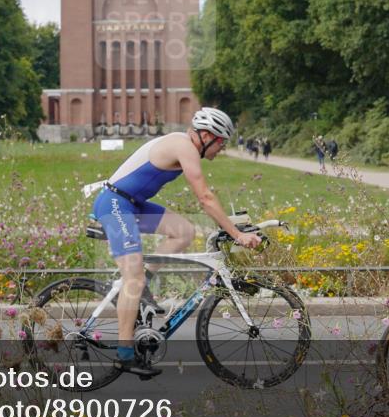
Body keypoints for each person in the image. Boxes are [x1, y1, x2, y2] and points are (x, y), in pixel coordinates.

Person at [91, 107, 262, 377]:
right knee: (132, 277)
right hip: (115, 205)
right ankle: (124, 355)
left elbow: (206, 200)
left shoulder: (183, 144)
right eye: (221, 143)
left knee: (184, 231)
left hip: (131, 204)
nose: (221, 150)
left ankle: (143, 283)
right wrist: (237, 235)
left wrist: (233, 226)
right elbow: (204, 197)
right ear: (206, 136)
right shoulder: (185, 147)